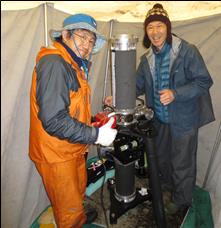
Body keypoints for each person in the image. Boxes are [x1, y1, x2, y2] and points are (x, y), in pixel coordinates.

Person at [105, 3, 215, 218]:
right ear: (146, 32)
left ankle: (182, 201)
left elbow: (204, 81)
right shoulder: (147, 59)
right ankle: (166, 190)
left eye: (159, 26)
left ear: (167, 27)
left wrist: (176, 93)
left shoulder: (187, 51)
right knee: (161, 159)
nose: (155, 32)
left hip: (184, 120)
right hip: (159, 120)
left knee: (182, 163)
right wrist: (117, 98)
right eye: (150, 28)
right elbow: (135, 85)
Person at [29, 13, 117, 228]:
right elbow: (54, 120)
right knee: (69, 213)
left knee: (76, 196)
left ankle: (76, 213)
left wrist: (96, 122)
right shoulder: (55, 64)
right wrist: (96, 135)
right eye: (82, 36)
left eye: (91, 40)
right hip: (57, 154)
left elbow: (72, 109)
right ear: (66, 35)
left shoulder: (74, 65)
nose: (87, 45)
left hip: (72, 149)